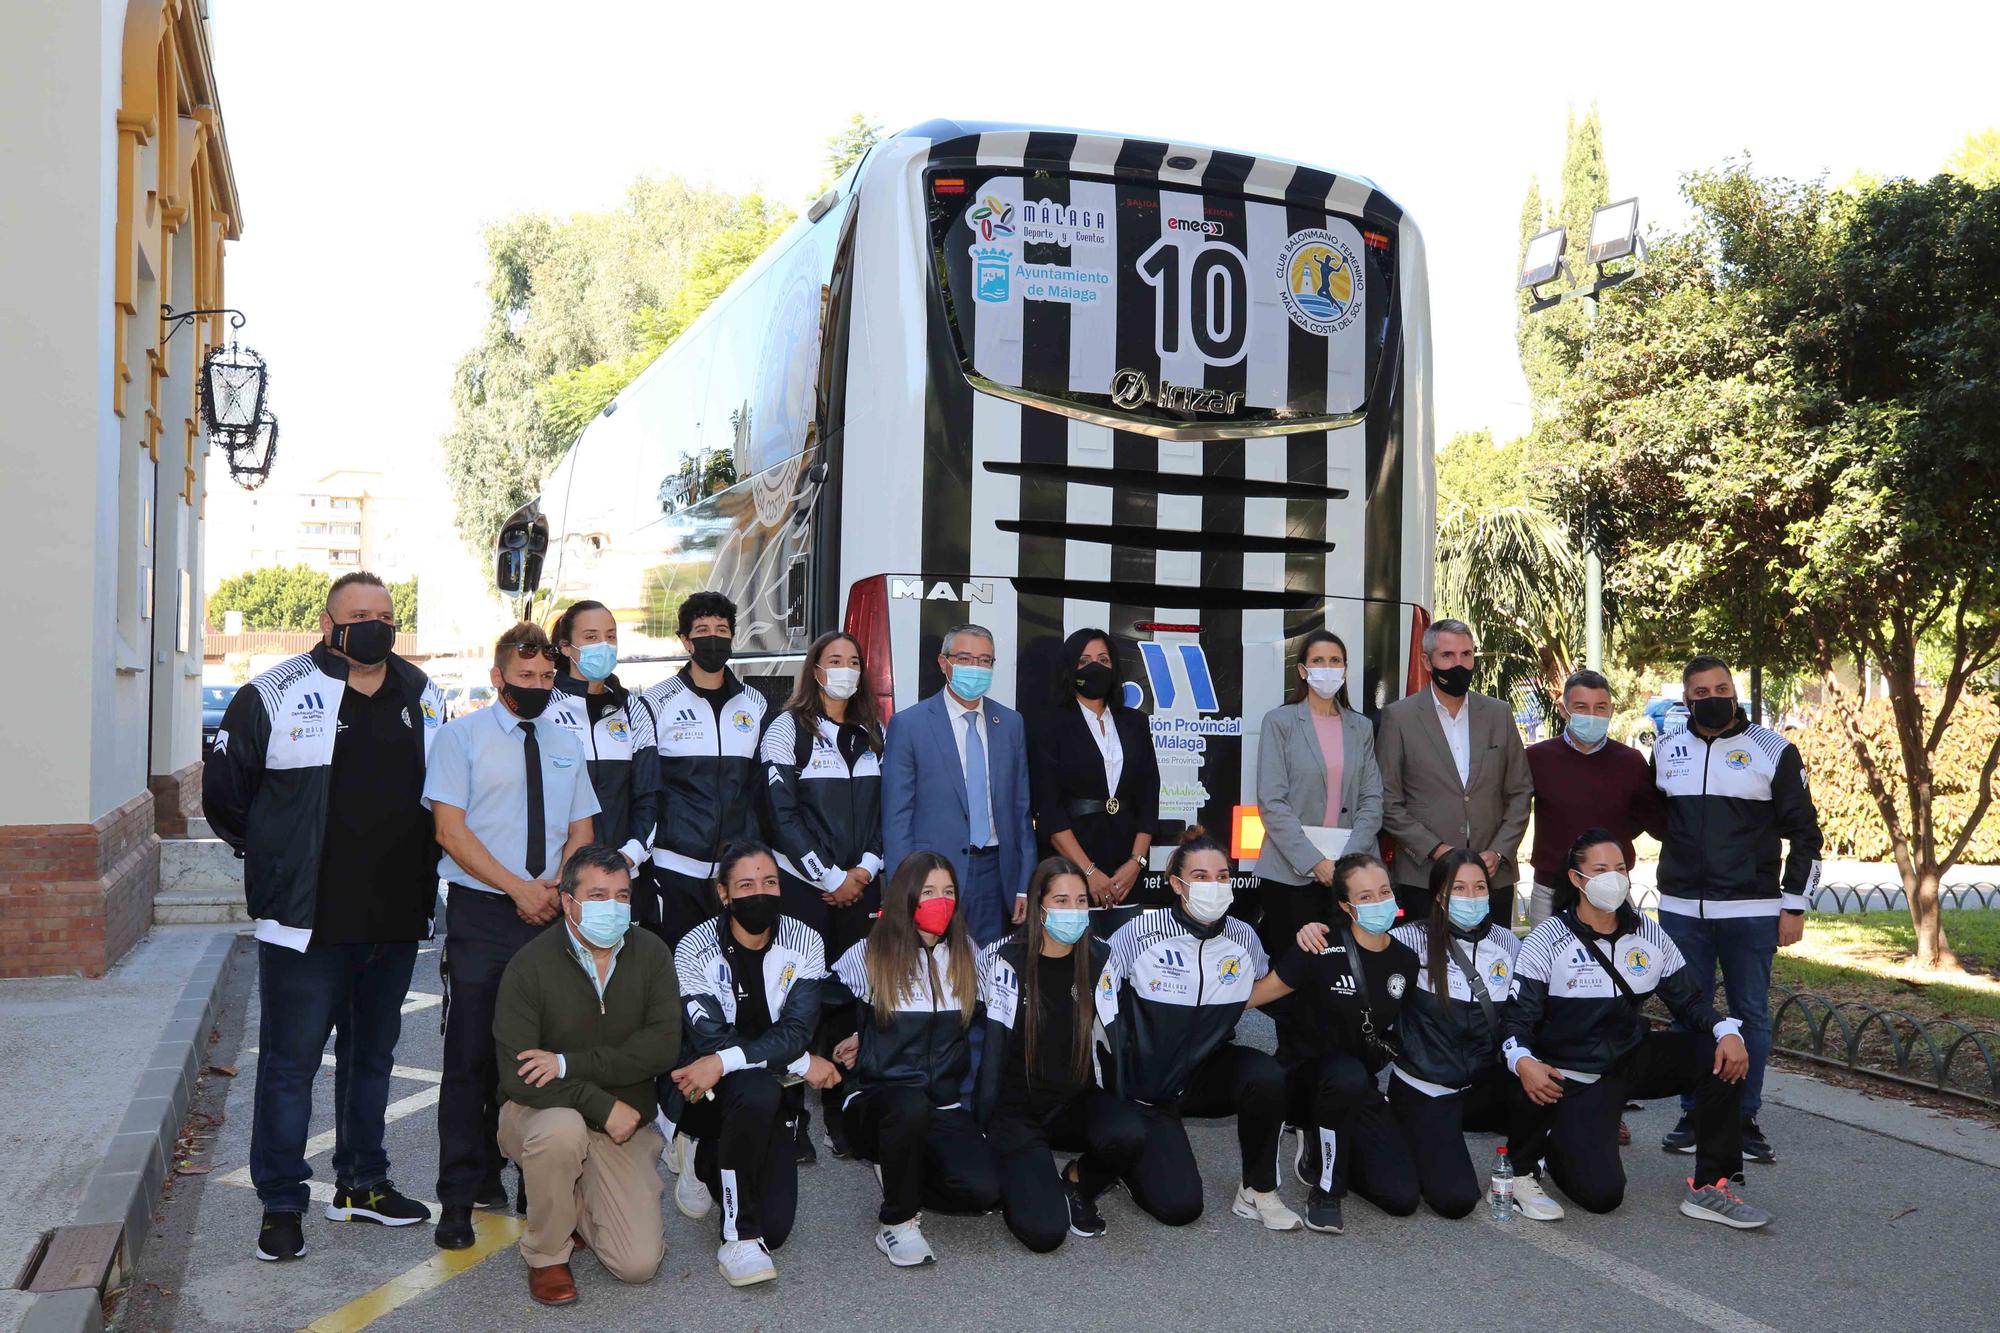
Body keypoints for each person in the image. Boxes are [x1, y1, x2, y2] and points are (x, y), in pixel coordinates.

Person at [203, 571, 445, 1262]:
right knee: (290, 1065)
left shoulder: (423, 694)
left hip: (395, 918)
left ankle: (362, 1184)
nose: (373, 623)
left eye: (385, 614)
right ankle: (282, 1201)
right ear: (326, 620)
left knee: (373, 1060)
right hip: (303, 922)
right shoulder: (272, 695)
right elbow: (225, 795)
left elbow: (442, 793)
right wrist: (277, 853)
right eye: (358, 613)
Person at [423, 621, 601, 1250]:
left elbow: (583, 827)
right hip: (483, 912)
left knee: (547, 1056)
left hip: (553, 913)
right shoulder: (459, 737)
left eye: (547, 678)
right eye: (525, 677)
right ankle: (459, 1195)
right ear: (498, 677)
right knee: (470, 1057)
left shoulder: (564, 740)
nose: (538, 686)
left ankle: (538, 1185)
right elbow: (450, 831)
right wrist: (517, 887)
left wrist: (555, 887)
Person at [1502, 829, 1770, 1228]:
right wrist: (1523, 1061)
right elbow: (1516, 1023)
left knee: (1721, 1053)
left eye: (1621, 868)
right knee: (1602, 1197)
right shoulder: (1548, 939)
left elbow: (1689, 1001)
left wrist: (1725, 1031)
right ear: (1576, 879)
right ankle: (1554, 1141)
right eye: (1601, 869)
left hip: (1631, 1058)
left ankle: (1711, 1187)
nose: (1615, 878)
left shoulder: (1645, 931)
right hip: (1577, 1075)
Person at [1652, 653, 1823, 1166]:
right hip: (1681, 909)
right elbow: (1656, 818)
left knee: (1750, 1015)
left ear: (1735, 691)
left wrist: (1794, 905)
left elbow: (1807, 836)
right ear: (1686, 701)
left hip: (1751, 910)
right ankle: (1695, 1110)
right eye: (1700, 693)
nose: (1712, 698)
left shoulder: (1774, 750)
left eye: (1720, 688)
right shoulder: (1666, 748)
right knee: (1688, 1013)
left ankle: (1744, 1116)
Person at [492, 845, 679, 1306]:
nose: (612, 907)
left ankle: (570, 1204)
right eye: (597, 895)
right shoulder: (529, 966)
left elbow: (661, 1049)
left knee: (637, 1265)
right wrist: (599, 1103)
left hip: (621, 1126)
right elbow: (519, 1076)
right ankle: (546, 1255)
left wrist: (565, 1062)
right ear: (568, 901)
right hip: (543, 1113)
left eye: (621, 895)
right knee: (562, 1132)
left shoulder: (651, 953)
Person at [1092, 830, 1301, 1232]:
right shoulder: (1138, 933)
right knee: (1180, 1207)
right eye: (1201, 876)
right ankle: (1126, 1159)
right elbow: (1095, 999)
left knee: (1266, 1076)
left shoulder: (1243, 938)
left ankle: (1258, 1190)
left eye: (1222, 876)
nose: (1215, 885)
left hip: (1203, 1076)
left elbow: (1265, 993)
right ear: (1176, 883)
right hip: (1146, 1090)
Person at [663, 842, 840, 1286]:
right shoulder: (694, 946)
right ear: (724, 894)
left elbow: (798, 1029)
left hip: (756, 1080)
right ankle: (738, 1238)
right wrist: (800, 1063)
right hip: (704, 1087)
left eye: (770, 882)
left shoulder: (806, 940)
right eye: (745, 884)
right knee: (758, 1089)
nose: (759, 892)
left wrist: (744, 1059)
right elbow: (709, 1039)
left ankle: (703, 1157)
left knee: (777, 1230)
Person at [826, 852, 1001, 1266]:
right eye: (928, 892)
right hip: (879, 1102)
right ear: (906, 897)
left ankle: (902, 1169)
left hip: (941, 1104)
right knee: (908, 1105)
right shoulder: (870, 954)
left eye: (948, 892)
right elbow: (818, 1007)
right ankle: (897, 1223)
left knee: (984, 1192)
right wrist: (852, 1038)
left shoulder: (967, 956)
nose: (940, 901)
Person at [975, 857, 1146, 1251]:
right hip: (1017, 1112)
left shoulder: (1103, 958)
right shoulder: (1003, 959)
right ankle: (1025, 1175)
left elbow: (1116, 1042)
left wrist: (1118, 1107)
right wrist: (983, 1123)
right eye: (1062, 901)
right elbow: (986, 1043)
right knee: (1044, 1233)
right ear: (1039, 907)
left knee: (1131, 1132)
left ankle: (1075, 1182)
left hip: (1074, 1102)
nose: (1073, 911)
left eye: (1081, 901)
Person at [760, 631, 884, 1160]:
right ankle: (790, 1121)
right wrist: (828, 877)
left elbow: (886, 809)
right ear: (814, 670)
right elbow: (779, 812)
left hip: (862, 885)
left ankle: (843, 1111)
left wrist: (866, 868)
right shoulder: (785, 728)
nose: (845, 668)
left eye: (853, 660)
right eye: (834, 660)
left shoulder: (871, 730)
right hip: (805, 888)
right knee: (796, 999)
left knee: (853, 998)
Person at [1255, 853, 1420, 1234]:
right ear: (1346, 906)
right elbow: (1258, 995)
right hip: (1302, 1078)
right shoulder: (1319, 944)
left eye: (1384, 892)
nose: (1378, 902)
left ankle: (1330, 1141)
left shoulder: (1405, 960)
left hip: (1356, 1086)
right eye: (1365, 897)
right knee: (1344, 1074)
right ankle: (1327, 1188)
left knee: (1401, 1197)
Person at [1382, 849, 1542, 1219]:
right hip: (1428, 1088)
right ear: (1439, 895)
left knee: (1542, 1079)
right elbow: (1355, 957)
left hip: (1480, 1086)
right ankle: (1401, 1128)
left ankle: (1523, 1169)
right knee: (1456, 1201)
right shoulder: (1407, 940)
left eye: (1479, 887)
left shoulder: (1510, 944)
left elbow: (1525, 1017)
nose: (1472, 898)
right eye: (1460, 889)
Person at [881, 624, 1033, 945]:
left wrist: (1024, 884)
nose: (975, 668)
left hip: (996, 876)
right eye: (965, 658)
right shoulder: (909, 725)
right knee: (933, 972)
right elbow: (897, 817)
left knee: (989, 975)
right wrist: (902, 890)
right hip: (932, 879)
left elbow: (1021, 811)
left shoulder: (1011, 724)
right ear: (943, 663)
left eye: (984, 660)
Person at [630, 591, 768, 944]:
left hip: (735, 870)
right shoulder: (656, 702)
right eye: (702, 629)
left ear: (732, 637)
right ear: (685, 640)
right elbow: (645, 786)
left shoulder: (755, 703)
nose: (713, 637)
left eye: (721, 629)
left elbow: (759, 788)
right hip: (673, 867)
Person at [1375, 619, 1534, 924]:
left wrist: (1499, 852)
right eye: (1447, 656)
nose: (1458, 664)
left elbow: (1520, 792)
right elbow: (1387, 800)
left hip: (1491, 878)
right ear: (1427, 661)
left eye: (1466, 655)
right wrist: (1437, 850)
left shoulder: (1498, 714)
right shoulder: (1399, 718)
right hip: (1425, 879)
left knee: (1493, 963)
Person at [1247, 629, 1384, 965]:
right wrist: (1315, 863)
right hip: (1291, 874)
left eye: (1335, 661)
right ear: (1303, 670)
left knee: (1347, 971)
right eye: (1318, 661)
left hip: (1350, 874)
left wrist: (1346, 864)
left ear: (1344, 669)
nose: (1328, 667)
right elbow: (1273, 802)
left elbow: (1372, 798)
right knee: (1294, 971)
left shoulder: (1361, 727)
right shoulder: (1279, 722)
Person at [1027, 629, 1160, 938]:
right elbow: (1048, 808)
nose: (1095, 667)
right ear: (1069, 668)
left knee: (1125, 962)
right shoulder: (1048, 724)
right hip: (1069, 870)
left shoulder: (1135, 723)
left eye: (1103, 659)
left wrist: (1135, 863)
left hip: (1126, 874)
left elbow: (1148, 797)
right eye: (1084, 660)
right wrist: (1088, 872)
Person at [1524, 669, 1661, 927]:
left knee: (1619, 963)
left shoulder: (1630, 761)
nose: (1592, 715)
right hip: (1550, 889)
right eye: (1581, 707)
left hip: (1613, 887)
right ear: (1564, 709)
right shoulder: (1537, 758)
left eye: (1600, 707)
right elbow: (1514, 811)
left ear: (1611, 710)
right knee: (1545, 965)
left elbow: (1653, 819)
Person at [548, 600, 657, 872]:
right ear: (565, 646)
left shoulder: (634, 709)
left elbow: (650, 795)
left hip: (621, 874)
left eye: (610, 636)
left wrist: (629, 856)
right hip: (554, 876)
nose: (604, 645)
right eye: (591, 637)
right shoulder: (544, 706)